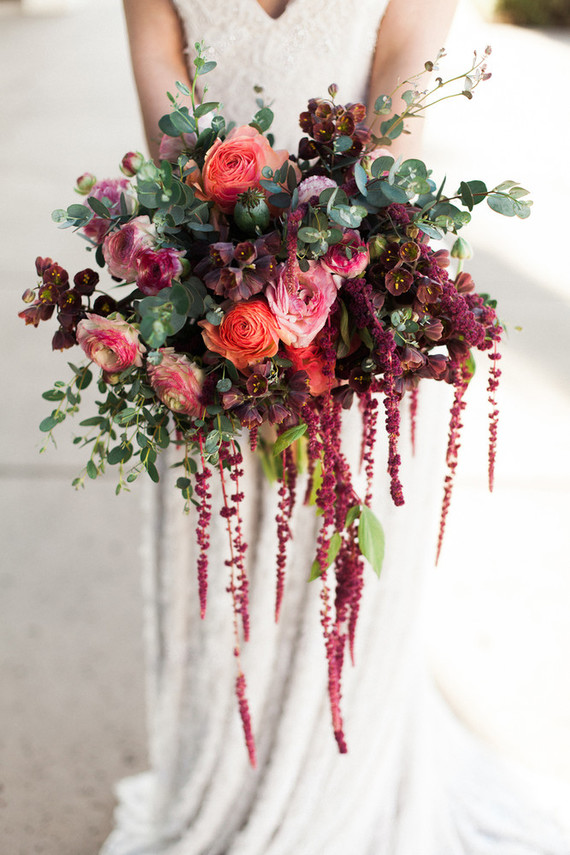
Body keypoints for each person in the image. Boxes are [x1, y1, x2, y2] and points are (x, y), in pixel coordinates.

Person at [100, 2, 570, 853]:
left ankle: (338, 795)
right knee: (229, 580)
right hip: (209, 289)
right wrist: (234, 281)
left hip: (361, 299)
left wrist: (306, 270)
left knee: (336, 570)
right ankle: (227, 785)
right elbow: (170, 136)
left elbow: (399, 111)